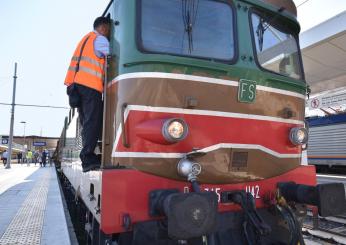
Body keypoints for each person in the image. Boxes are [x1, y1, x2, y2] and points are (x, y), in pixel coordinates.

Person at [64, 17, 110, 172]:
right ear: (103, 27)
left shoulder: (85, 39)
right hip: (91, 86)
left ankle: (87, 156)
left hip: (77, 86)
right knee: (92, 122)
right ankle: (88, 158)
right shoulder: (100, 39)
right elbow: (112, 58)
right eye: (109, 29)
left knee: (86, 123)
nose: (109, 33)